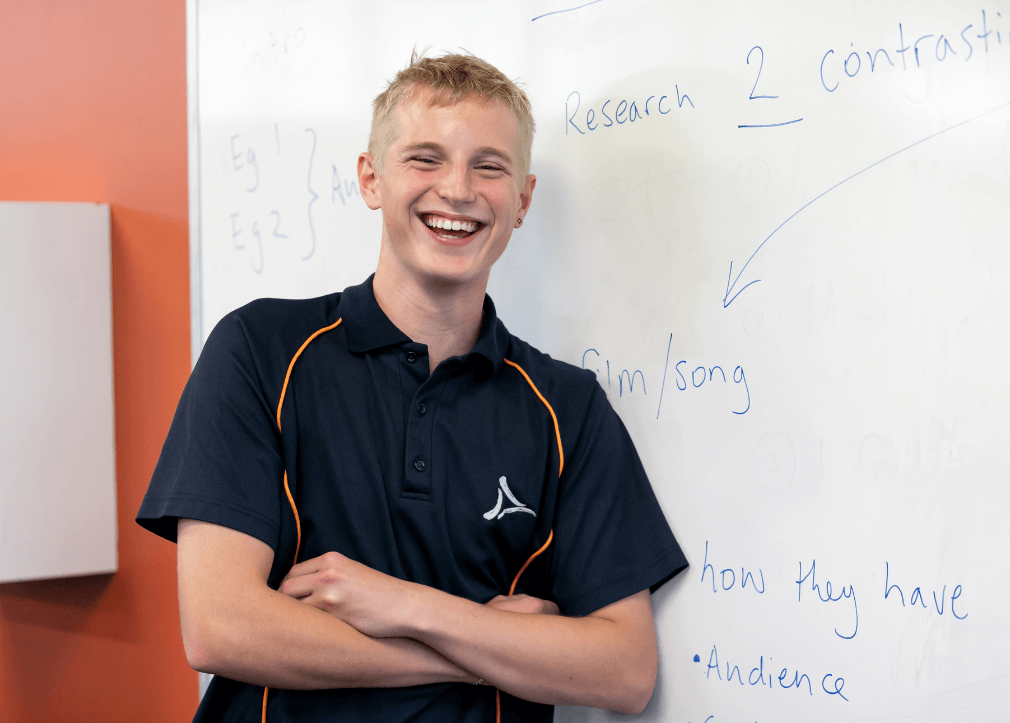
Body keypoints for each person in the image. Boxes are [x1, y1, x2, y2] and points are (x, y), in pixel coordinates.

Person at [137, 51, 687, 723]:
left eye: (489, 166)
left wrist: (401, 605)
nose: (457, 189)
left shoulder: (568, 409)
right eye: (425, 158)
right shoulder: (259, 349)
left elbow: (625, 671)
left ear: (522, 200)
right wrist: (482, 644)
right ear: (371, 178)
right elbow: (221, 626)